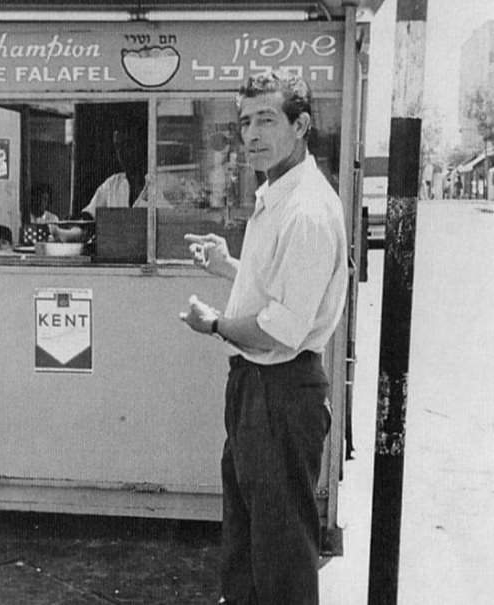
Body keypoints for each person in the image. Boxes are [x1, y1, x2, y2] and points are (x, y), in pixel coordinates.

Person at [178, 71, 347, 605]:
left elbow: (280, 328)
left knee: (281, 554)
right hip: (257, 386)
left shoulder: (307, 211)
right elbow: (278, 291)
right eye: (245, 120)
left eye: (266, 119)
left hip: (281, 388)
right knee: (248, 544)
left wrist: (214, 324)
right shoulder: (277, 191)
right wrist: (229, 265)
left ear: (301, 125)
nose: (251, 134)